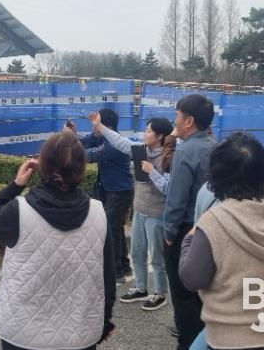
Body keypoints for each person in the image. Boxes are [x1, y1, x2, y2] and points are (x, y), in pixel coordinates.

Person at [0, 131, 116, 350]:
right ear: (81, 168)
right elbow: (107, 275)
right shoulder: (98, 212)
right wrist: (104, 320)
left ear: (42, 165)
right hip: (79, 333)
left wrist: (16, 184)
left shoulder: (18, 211)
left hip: (23, 332)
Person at [179, 132, 264, 350]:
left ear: (216, 175)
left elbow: (192, 278)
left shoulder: (215, 220)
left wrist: (188, 240)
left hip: (233, 337)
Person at [89, 112, 174, 311]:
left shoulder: (169, 157)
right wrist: (100, 127)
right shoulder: (141, 150)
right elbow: (121, 142)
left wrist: (152, 172)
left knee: (157, 257)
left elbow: (168, 188)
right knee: (137, 252)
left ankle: (160, 293)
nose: (145, 134)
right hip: (139, 210)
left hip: (156, 214)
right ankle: (141, 288)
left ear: (160, 136)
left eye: (149, 131)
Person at [160, 94, 215, 349]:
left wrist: (169, 235)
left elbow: (176, 199)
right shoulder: (216, 147)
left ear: (189, 121)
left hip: (186, 231)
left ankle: (188, 343)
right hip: (213, 228)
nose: (175, 122)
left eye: (177, 116)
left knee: (184, 299)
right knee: (206, 295)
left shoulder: (185, 152)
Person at [67, 108, 134, 283]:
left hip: (119, 192)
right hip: (108, 189)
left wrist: (66, 148)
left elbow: (88, 155)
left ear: (106, 126)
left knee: (111, 229)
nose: (93, 128)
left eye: (95, 124)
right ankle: (124, 266)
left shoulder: (114, 143)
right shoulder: (101, 137)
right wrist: (72, 135)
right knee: (116, 228)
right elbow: (83, 143)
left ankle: (116, 272)